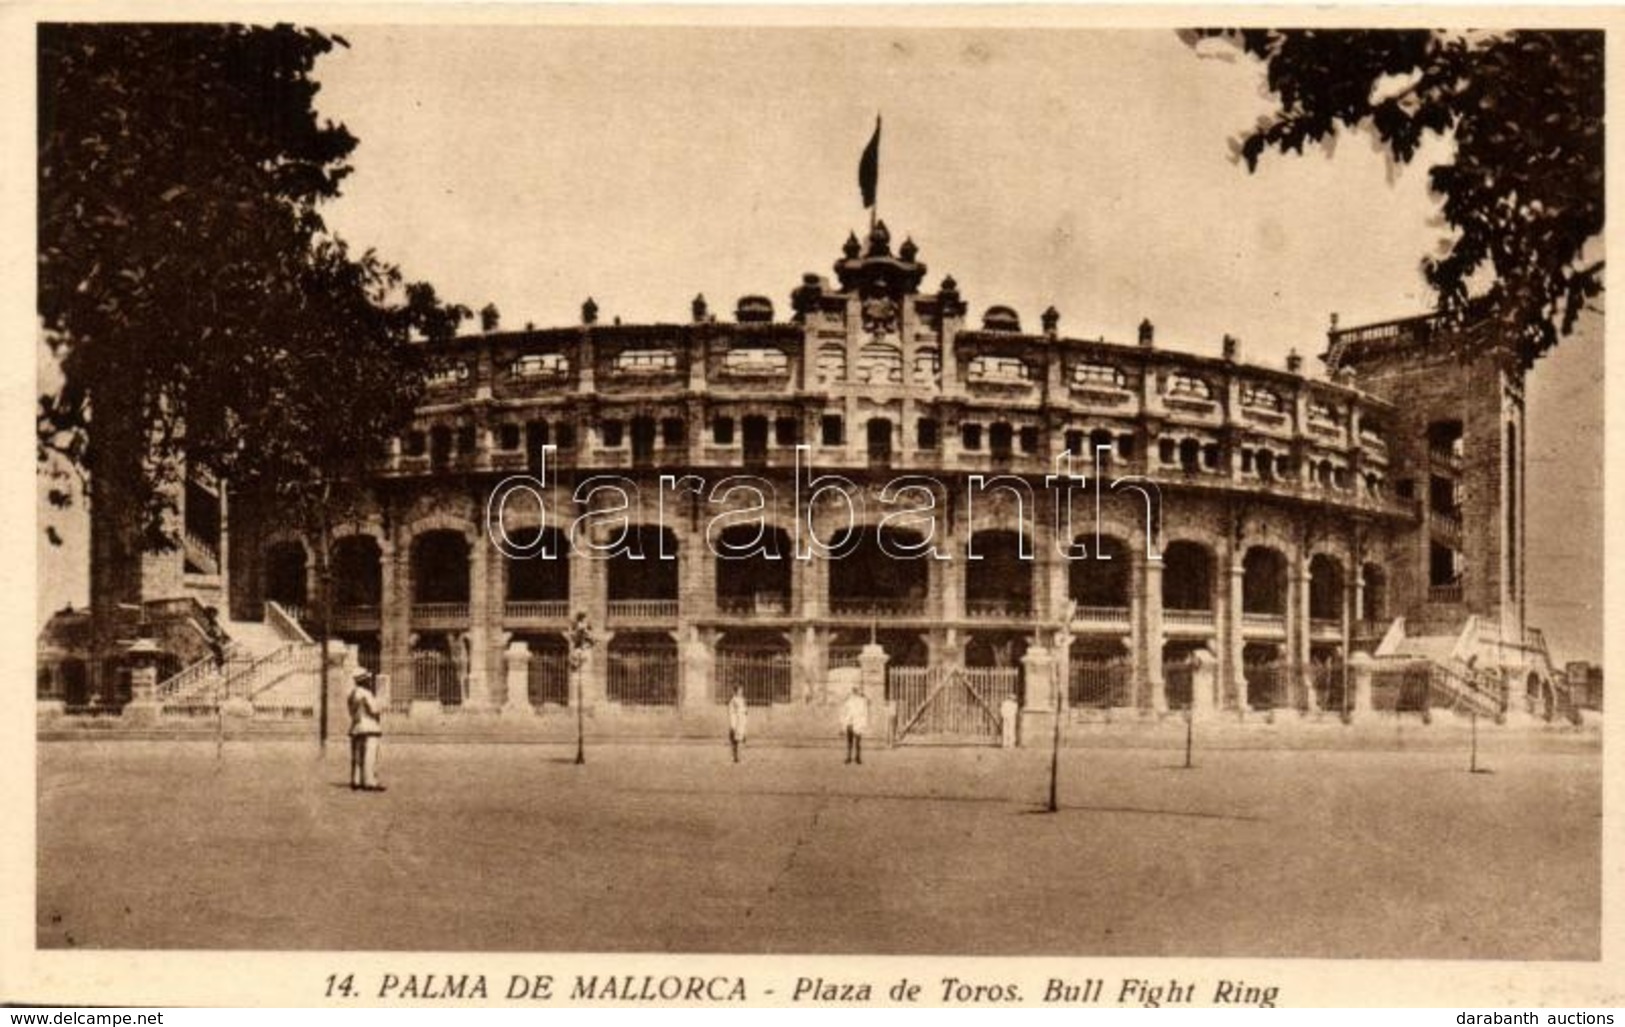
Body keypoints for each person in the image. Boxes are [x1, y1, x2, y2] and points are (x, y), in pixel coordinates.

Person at [347, 666, 385, 792]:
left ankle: (356, 781)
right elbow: (374, 709)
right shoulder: (366, 693)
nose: (369, 681)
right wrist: (380, 702)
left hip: (356, 727)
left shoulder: (352, 694)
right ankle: (370, 782)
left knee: (357, 757)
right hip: (369, 727)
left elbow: (351, 712)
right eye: (368, 679)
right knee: (370, 756)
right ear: (364, 680)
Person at [841, 684, 870, 765]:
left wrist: (864, 695)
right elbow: (844, 710)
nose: (855, 692)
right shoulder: (849, 700)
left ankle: (857, 757)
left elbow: (867, 704)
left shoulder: (862, 700)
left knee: (857, 742)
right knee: (849, 741)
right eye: (854, 690)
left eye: (856, 690)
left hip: (858, 722)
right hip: (850, 722)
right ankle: (849, 757)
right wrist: (844, 722)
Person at [727, 685, 748, 763]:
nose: (741, 691)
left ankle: (739, 757)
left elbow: (745, 711)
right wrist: (733, 725)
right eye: (739, 690)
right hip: (736, 722)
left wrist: (745, 721)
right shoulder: (733, 701)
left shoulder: (743, 700)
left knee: (741, 740)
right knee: (734, 741)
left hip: (742, 722)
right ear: (736, 691)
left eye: (742, 690)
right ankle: (734, 757)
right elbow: (731, 713)